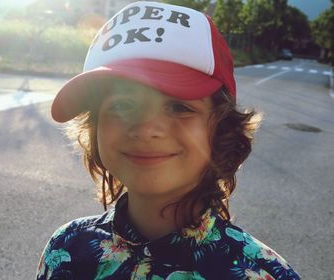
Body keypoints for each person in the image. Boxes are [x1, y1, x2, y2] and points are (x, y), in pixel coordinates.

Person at [37, 1, 300, 279]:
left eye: (179, 107)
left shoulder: (262, 273)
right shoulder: (66, 249)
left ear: (222, 130)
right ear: (95, 127)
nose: (146, 129)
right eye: (122, 106)